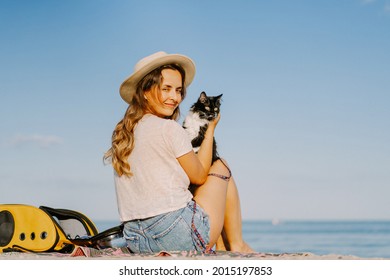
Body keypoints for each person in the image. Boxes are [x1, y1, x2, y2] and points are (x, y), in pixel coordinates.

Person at [104, 51, 254, 253]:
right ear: (145, 91)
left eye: (178, 91)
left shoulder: (123, 133)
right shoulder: (169, 128)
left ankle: (224, 244)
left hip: (136, 239)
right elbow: (200, 176)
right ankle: (237, 244)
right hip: (177, 235)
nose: (175, 97)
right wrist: (210, 129)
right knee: (220, 165)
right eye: (166, 89)